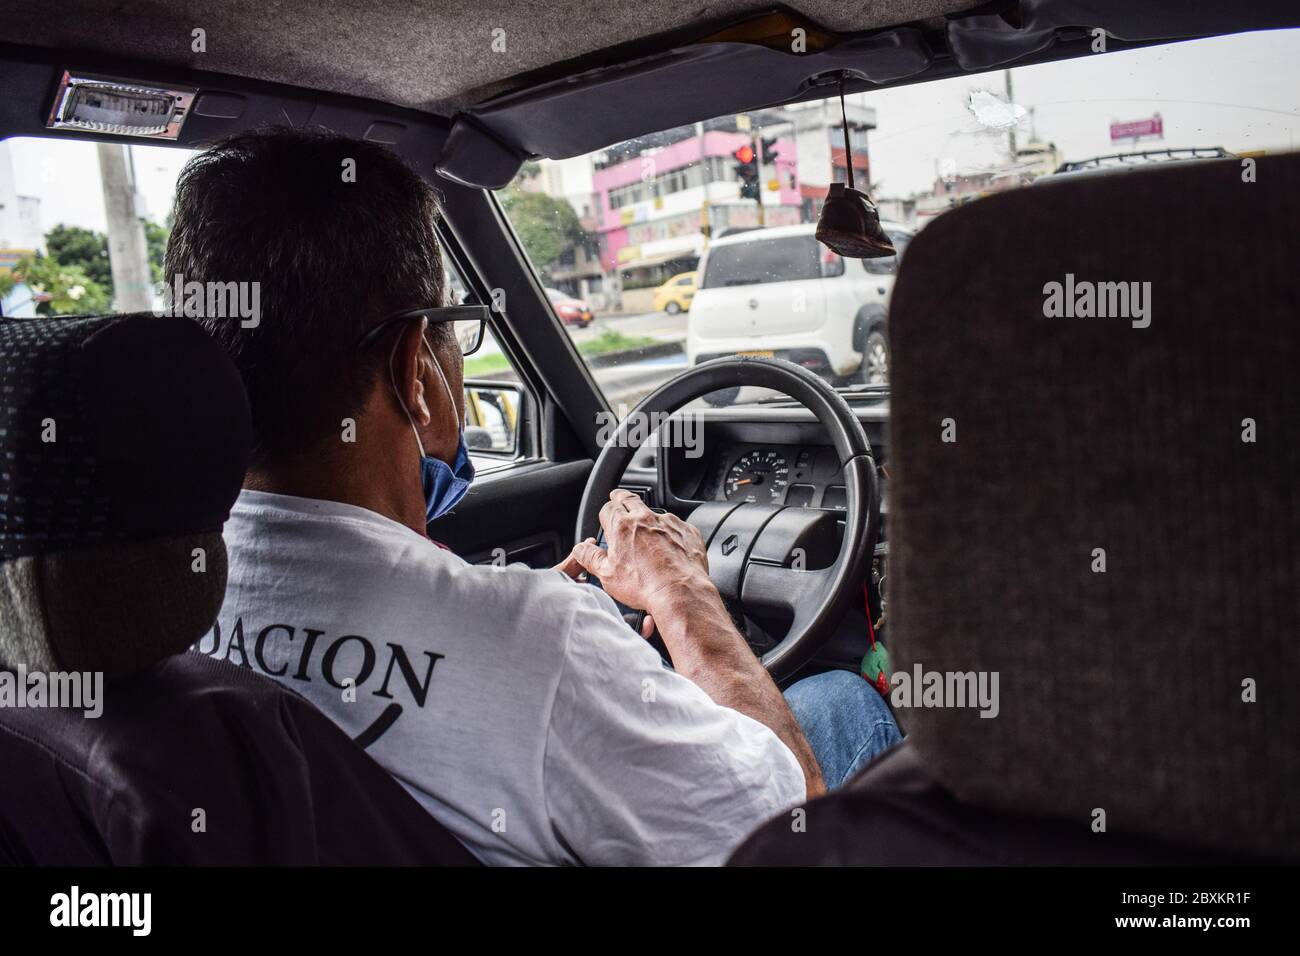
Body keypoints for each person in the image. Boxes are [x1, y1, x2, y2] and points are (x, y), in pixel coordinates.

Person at [174, 127, 900, 866]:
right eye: (453, 332)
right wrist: (683, 592)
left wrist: (508, 611)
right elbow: (789, 826)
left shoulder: (154, 605)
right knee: (845, 702)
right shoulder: (538, 645)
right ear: (412, 369)